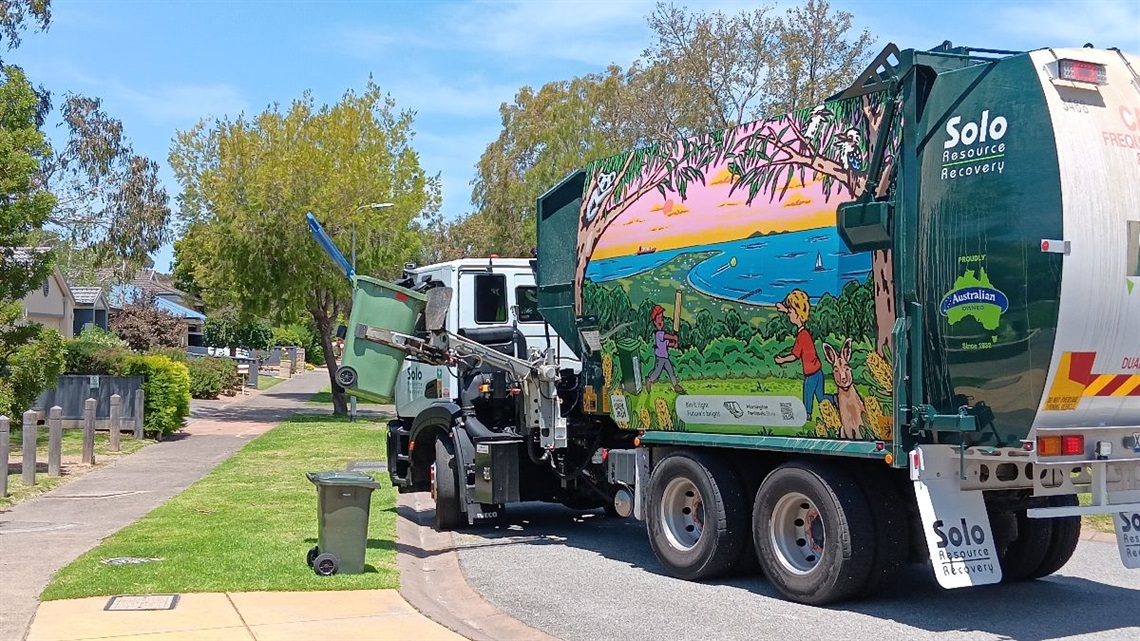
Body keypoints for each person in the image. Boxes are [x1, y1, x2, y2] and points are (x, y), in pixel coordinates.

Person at [774, 289, 825, 417]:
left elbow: (794, 356)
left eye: (790, 311)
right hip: (818, 372)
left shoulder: (802, 336)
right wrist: (784, 309)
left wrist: (782, 360)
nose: (788, 314)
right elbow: (794, 312)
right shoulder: (805, 332)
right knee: (821, 398)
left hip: (812, 375)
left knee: (808, 396)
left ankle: (807, 416)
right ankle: (835, 399)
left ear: (797, 315)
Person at [646, 304, 685, 394]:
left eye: (662, 318)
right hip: (660, 358)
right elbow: (666, 336)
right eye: (658, 319)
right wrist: (674, 337)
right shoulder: (658, 334)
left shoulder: (662, 334)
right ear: (654, 322)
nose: (661, 321)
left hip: (665, 358)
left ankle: (675, 385)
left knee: (671, 371)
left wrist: (674, 344)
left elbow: (667, 343)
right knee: (657, 372)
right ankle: (649, 379)